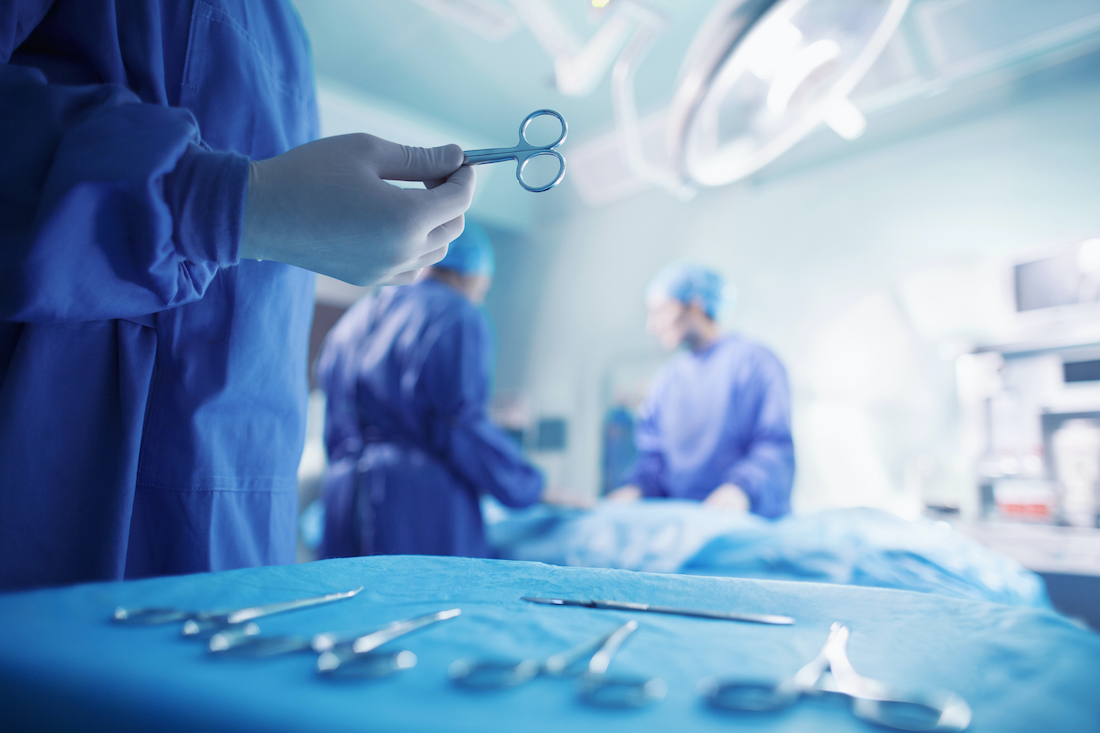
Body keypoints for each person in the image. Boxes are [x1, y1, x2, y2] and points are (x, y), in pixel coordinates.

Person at [0, 1, 475, 590]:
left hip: (247, 507)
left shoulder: (285, 29)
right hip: (61, 488)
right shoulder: (452, 320)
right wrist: (222, 204)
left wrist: (254, 210)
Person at [316, 223, 544, 559]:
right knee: (427, 609)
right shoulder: (457, 314)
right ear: (471, 276)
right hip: (416, 504)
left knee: (343, 607)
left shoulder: (353, 320)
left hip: (342, 496)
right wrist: (530, 484)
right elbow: (460, 425)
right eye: (483, 287)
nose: (480, 295)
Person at [606, 263, 795, 517]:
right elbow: (654, 459)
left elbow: (774, 447)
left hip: (747, 526)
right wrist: (635, 489)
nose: (652, 326)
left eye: (660, 312)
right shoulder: (667, 381)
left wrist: (740, 490)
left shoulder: (755, 364)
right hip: (683, 529)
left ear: (695, 306)